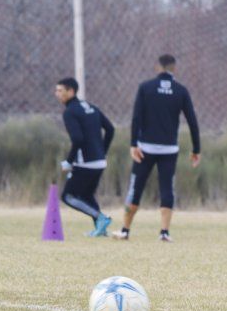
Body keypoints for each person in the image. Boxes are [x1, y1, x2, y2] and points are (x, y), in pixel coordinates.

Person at [111, 55, 201, 242]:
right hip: (169, 149)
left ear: (158, 67)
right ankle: (164, 232)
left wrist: (133, 144)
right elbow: (192, 121)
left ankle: (125, 230)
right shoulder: (181, 90)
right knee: (167, 188)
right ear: (174, 68)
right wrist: (196, 149)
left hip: (145, 148)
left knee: (136, 188)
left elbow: (136, 117)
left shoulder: (146, 87)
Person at [55, 77, 115, 237]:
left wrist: (69, 161)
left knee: (68, 196)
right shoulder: (91, 107)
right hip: (100, 161)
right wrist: (102, 151)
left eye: (60, 90)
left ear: (71, 91)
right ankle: (100, 229)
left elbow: (77, 139)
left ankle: (101, 218)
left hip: (85, 163)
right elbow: (110, 129)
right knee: (87, 195)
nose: (57, 94)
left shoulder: (70, 112)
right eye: (56, 90)